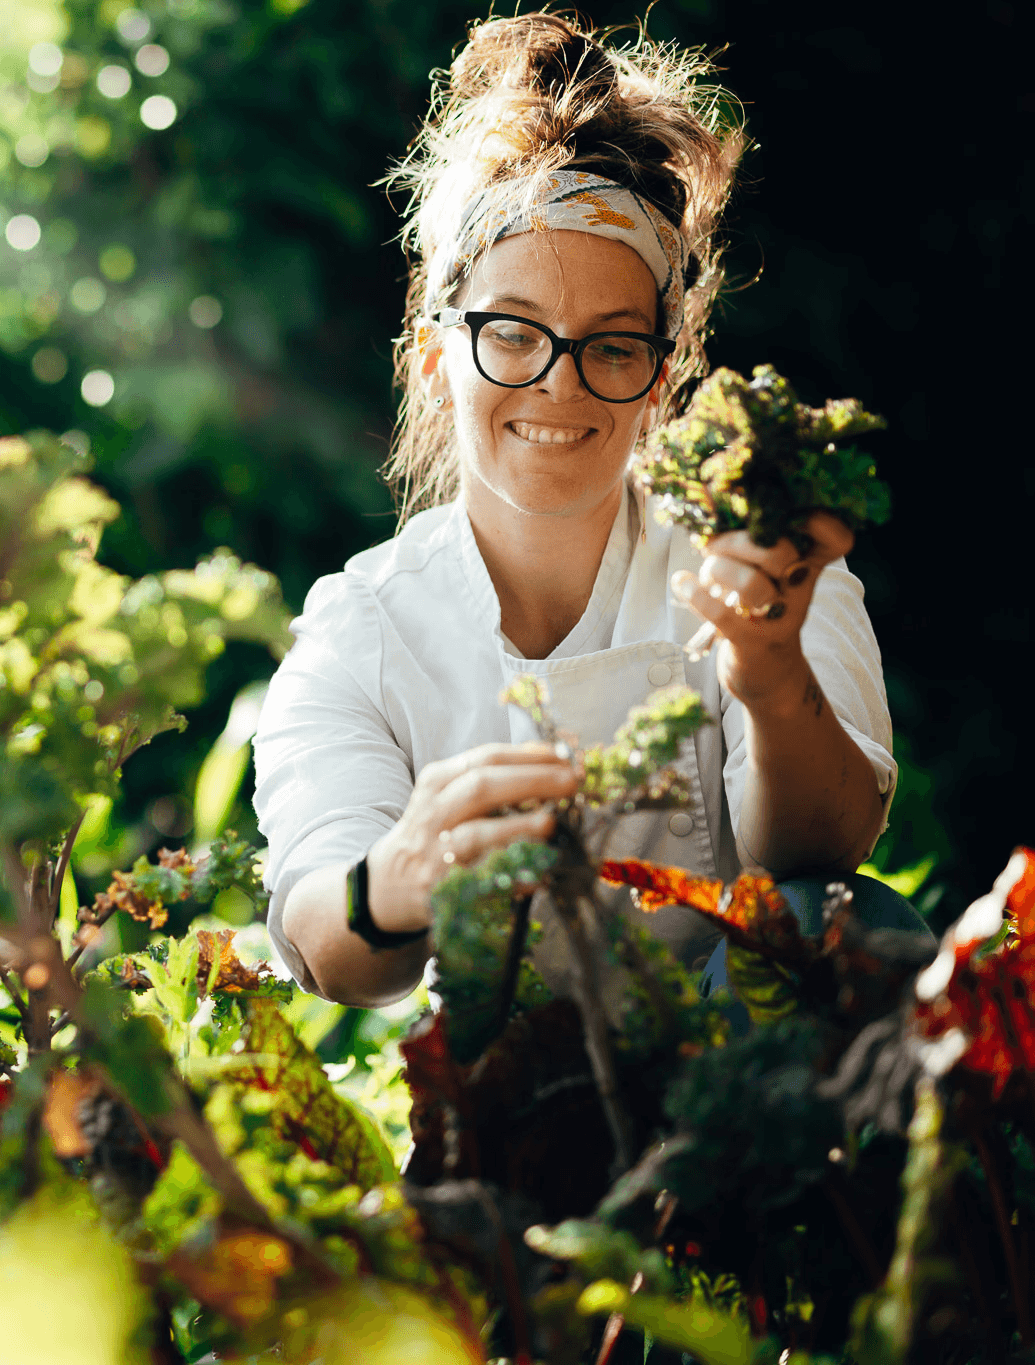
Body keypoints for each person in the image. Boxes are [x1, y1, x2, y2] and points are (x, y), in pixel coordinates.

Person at [252, 13, 910, 1010]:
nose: (558, 386)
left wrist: (769, 673)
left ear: (659, 380)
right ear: (436, 359)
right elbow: (325, 941)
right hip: (507, 1101)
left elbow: (826, 854)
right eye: (513, 334)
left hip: (748, 1066)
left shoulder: (760, 563)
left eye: (610, 347)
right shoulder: (363, 628)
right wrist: (399, 878)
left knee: (858, 927)